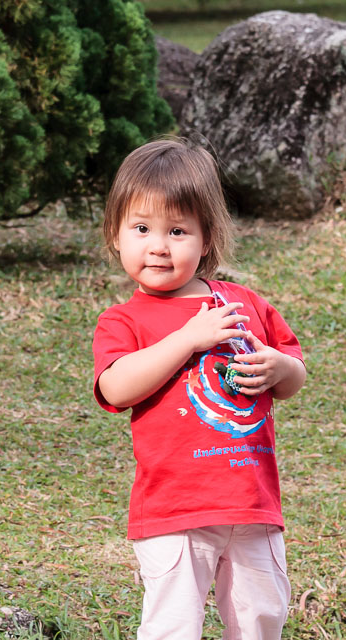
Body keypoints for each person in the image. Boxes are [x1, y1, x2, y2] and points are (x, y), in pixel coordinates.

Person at [92, 138, 307, 640]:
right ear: (116, 235)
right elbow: (116, 386)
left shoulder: (243, 303)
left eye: (177, 230)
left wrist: (279, 367)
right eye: (141, 229)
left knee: (262, 617)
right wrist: (188, 339)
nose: (159, 245)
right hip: (174, 509)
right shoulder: (123, 321)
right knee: (173, 626)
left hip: (251, 502)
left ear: (206, 238)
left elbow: (293, 374)